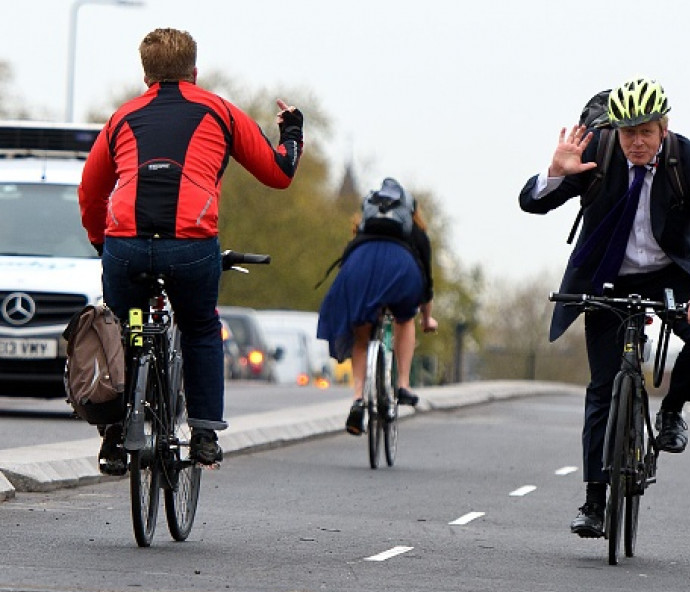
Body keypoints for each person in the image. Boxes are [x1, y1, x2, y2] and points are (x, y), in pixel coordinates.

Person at [77, 28, 304, 475]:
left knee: (121, 331)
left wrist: (104, 243)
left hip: (127, 245)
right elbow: (280, 173)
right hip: (191, 245)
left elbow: (90, 192)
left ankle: (113, 435)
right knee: (200, 327)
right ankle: (203, 435)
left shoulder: (122, 117)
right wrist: (293, 130)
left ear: (146, 75)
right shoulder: (220, 112)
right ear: (194, 72)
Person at [518, 76, 690, 538]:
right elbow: (532, 204)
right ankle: (594, 500)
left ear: (663, 128)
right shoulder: (601, 152)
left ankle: (673, 409)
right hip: (609, 273)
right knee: (602, 385)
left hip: (672, 272)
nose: (635, 142)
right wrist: (555, 173)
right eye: (627, 131)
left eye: (645, 132)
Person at [317, 178, 438, 435]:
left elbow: (348, 257)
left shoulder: (363, 227)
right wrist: (427, 319)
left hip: (360, 265)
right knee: (404, 318)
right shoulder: (415, 232)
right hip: (401, 267)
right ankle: (403, 385)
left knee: (362, 334)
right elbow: (427, 283)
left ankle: (359, 399)